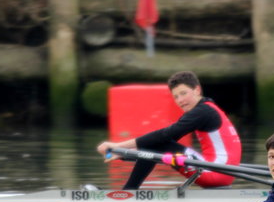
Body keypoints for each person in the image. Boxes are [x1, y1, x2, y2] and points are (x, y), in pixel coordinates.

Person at [96, 71, 242, 189]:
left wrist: (118, 147)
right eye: (176, 97)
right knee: (157, 144)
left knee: (158, 142)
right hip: (220, 171)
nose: (180, 100)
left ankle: (128, 193)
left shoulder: (202, 112)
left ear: (197, 90)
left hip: (213, 172)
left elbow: (165, 136)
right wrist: (125, 154)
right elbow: (165, 143)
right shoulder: (207, 108)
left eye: (183, 93)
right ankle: (129, 191)